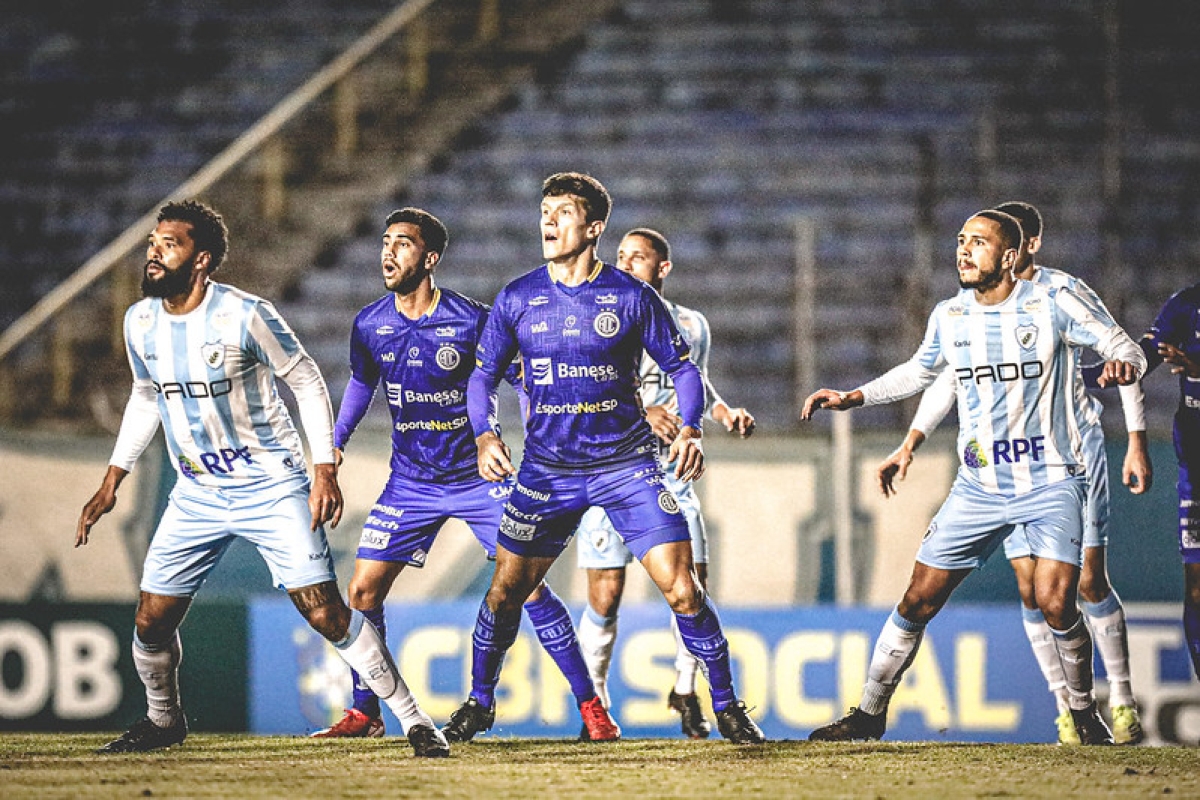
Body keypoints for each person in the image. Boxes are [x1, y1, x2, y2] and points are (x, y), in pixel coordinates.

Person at [75, 200, 448, 757]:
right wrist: (113, 478)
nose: (154, 252)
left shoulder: (244, 314)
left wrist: (323, 468)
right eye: (153, 243)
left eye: (169, 245)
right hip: (196, 492)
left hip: (270, 485)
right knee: (151, 621)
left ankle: (416, 722)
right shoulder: (140, 322)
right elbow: (147, 395)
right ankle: (163, 720)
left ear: (201, 259)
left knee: (324, 611)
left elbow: (306, 378)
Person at [801, 209, 1146, 745]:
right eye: (961, 240)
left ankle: (1084, 713)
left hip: (1052, 481)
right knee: (917, 599)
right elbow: (920, 372)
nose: (964, 250)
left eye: (978, 243)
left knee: (1057, 602)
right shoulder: (951, 315)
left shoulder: (1053, 302)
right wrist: (854, 397)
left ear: (1009, 257)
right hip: (980, 486)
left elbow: (1124, 346)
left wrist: (1126, 364)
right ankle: (868, 714)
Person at [444, 172, 764, 744]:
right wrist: (485, 435)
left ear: (593, 229)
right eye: (544, 212)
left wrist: (691, 429)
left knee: (683, 589)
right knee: (504, 593)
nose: (548, 222)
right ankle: (480, 703)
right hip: (547, 472)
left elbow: (684, 370)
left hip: (626, 468)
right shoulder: (517, 297)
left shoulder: (632, 297)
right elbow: (483, 375)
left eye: (562, 213)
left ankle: (727, 706)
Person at [310, 207, 601, 740]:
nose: (388, 252)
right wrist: (336, 442)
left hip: (478, 481)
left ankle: (592, 710)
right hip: (411, 482)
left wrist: (540, 437)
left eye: (403, 243)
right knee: (363, 591)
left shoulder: (471, 320)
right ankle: (365, 711)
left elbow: (522, 378)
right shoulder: (370, 323)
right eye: (385, 241)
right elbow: (361, 384)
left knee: (530, 588)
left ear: (430, 258)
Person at [572, 227, 755, 738]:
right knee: (605, 594)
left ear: (662, 268)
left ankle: (685, 689)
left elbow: (694, 379)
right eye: (621, 255)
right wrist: (640, 413)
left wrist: (723, 412)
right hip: (609, 472)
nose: (626, 263)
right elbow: (578, 390)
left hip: (670, 478)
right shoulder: (595, 318)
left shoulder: (692, 325)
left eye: (638, 257)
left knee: (691, 588)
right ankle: (596, 707)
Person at [1122, 283, 1200, 683]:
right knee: (1197, 587)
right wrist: (1109, 369)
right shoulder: (1187, 303)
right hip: (1196, 467)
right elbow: (1144, 356)